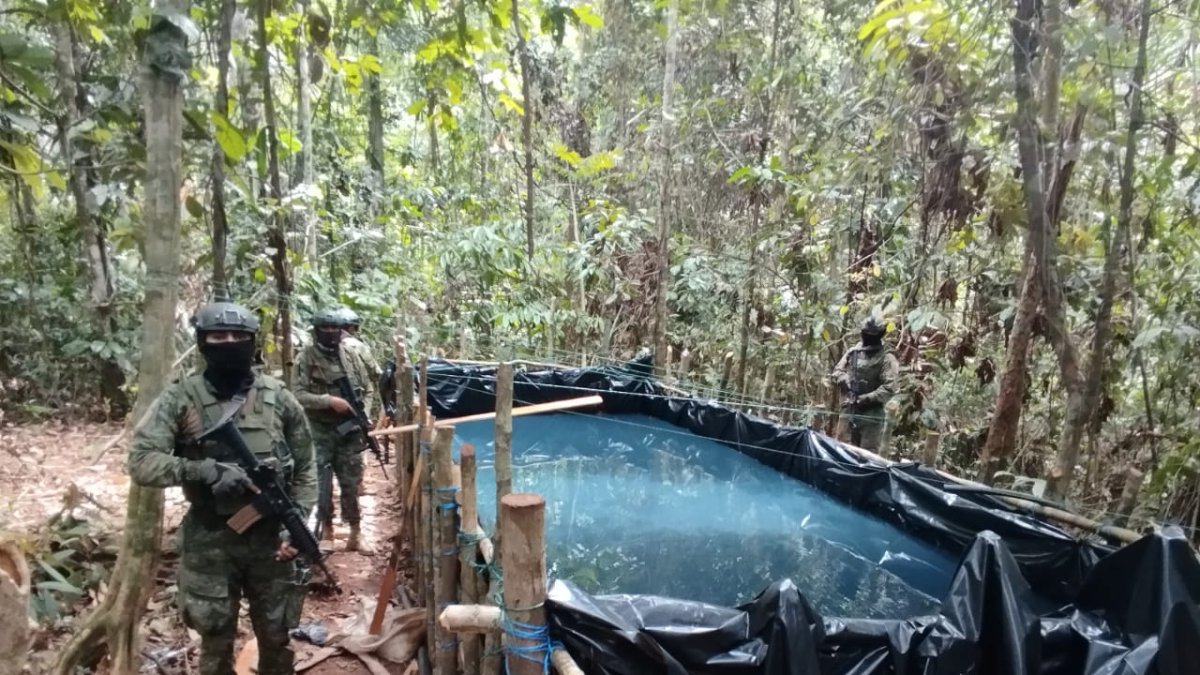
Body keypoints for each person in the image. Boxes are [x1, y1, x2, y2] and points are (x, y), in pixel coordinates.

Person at [127, 301, 317, 675]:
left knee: (278, 638)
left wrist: (296, 524)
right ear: (202, 341)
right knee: (214, 644)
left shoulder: (278, 397)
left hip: (271, 542)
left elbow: (307, 465)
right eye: (218, 336)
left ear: (251, 341)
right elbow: (141, 462)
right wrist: (204, 471)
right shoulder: (180, 398)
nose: (228, 342)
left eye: (238, 336)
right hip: (210, 537)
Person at [293, 308, 376, 554]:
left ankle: (355, 532)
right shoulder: (306, 358)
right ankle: (327, 530)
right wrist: (328, 401)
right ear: (317, 331)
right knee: (322, 483)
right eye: (325, 329)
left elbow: (366, 388)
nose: (330, 333)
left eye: (335, 329)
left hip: (349, 431)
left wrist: (364, 415)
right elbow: (297, 394)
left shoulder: (350, 355)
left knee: (351, 482)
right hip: (319, 431)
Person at [831, 316, 900, 451]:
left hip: (871, 416)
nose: (868, 337)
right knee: (842, 451)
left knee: (866, 456)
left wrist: (866, 398)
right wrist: (844, 379)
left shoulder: (886, 357)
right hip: (849, 410)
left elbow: (890, 388)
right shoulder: (853, 352)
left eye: (872, 335)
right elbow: (837, 372)